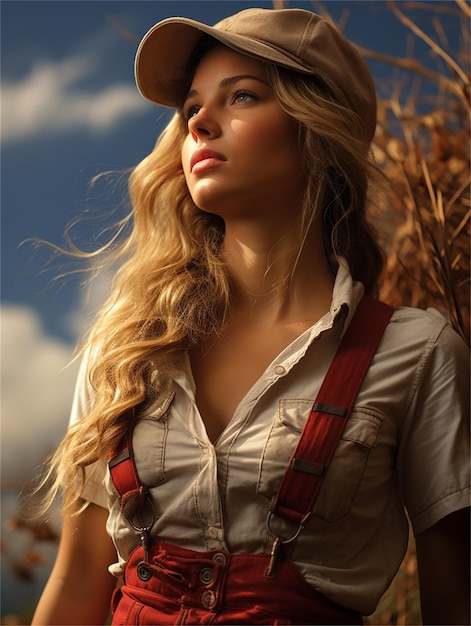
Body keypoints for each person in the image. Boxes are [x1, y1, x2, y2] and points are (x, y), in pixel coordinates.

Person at [31, 7, 469, 626]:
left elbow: (456, 604)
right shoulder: (126, 347)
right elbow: (77, 583)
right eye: (190, 110)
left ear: (317, 127)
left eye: (241, 96)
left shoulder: (417, 353)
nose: (201, 121)